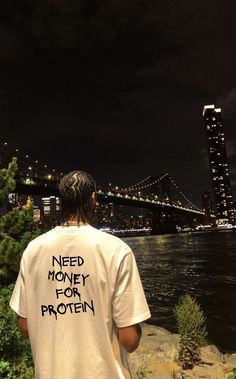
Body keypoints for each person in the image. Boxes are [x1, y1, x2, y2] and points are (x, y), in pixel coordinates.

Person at [10, 170, 151, 379]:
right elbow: (129, 340)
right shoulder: (117, 250)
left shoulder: (33, 250)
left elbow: (24, 328)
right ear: (93, 199)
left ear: (61, 201)